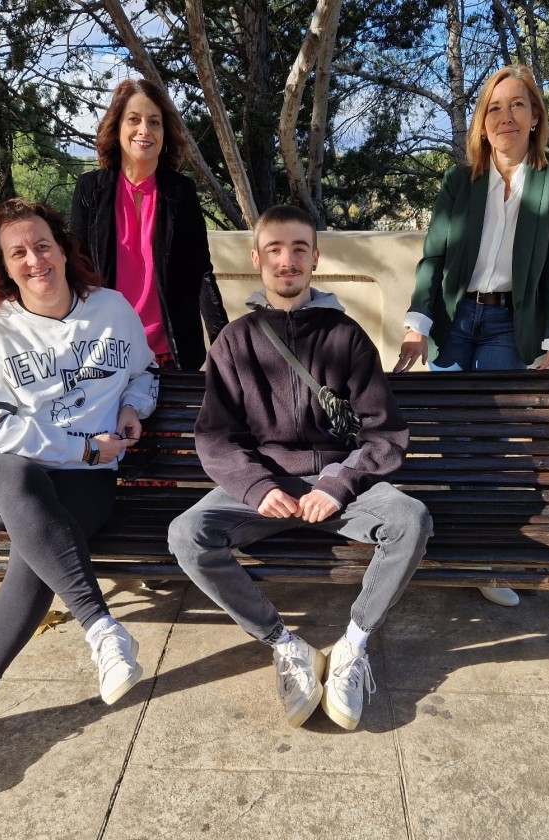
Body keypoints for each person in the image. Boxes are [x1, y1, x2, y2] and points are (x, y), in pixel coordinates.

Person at [0, 198, 159, 793]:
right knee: (25, 486)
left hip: (84, 485)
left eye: (42, 245)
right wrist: (78, 448)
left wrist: (133, 408)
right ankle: (102, 627)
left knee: (38, 543)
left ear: (63, 246)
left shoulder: (111, 310)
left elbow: (145, 372)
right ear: (3, 265)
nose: (35, 260)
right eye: (18, 252)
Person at [168, 205, 433, 732]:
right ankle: (285, 646)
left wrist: (338, 486)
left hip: (341, 487)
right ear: (257, 260)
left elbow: (384, 433)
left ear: (315, 258)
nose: (286, 261)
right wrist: (256, 486)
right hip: (267, 492)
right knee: (186, 534)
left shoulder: (346, 336)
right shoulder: (234, 341)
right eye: (274, 250)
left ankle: (352, 648)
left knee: (411, 519)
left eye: (297, 249)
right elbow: (216, 436)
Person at [393, 63, 549, 609]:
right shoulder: (462, 181)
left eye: (518, 106)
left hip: (508, 322)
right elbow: (433, 257)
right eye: (495, 108)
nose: (506, 117)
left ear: (535, 117)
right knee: (454, 438)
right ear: (482, 123)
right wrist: (417, 328)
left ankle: (489, 554)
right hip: (457, 322)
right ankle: (458, 547)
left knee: (495, 440)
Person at [71, 77, 228, 373]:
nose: (145, 130)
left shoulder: (181, 192)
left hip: (169, 354)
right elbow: (76, 273)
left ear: (165, 133)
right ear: (117, 128)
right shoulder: (90, 189)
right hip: (103, 353)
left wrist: (225, 346)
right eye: (134, 119)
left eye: (155, 122)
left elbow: (201, 273)